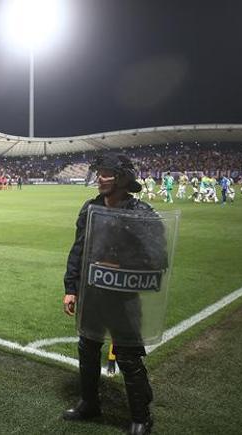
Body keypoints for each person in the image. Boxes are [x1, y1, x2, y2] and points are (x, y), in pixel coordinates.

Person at [62, 153, 167, 435]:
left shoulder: (141, 213)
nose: (99, 177)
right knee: (87, 348)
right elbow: (78, 250)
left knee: (128, 356)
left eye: (106, 173)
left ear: (122, 178)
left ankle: (141, 417)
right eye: (99, 172)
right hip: (92, 295)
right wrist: (70, 288)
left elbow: (158, 259)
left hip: (124, 298)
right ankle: (89, 403)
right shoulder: (90, 208)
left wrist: (120, 263)